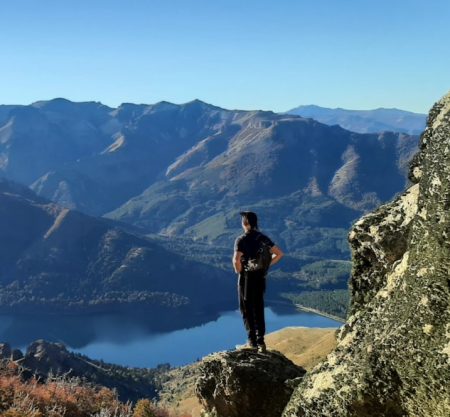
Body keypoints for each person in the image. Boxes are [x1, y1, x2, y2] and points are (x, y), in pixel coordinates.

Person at [232, 211, 284, 352]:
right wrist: (266, 266)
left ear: (245, 223)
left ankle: (252, 342)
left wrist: (239, 271)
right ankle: (261, 341)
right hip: (260, 278)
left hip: (246, 279)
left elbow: (236, 261)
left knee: (246, 309)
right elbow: (279, 254)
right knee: (258, 307)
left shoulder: (241, 239)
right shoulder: (263, 238)